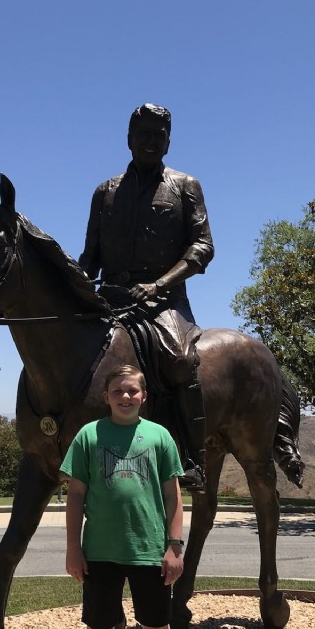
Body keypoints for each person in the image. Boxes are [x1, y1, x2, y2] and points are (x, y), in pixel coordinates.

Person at [55, 364, 204, 629]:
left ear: (143, 397)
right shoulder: (89, 436)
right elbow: (75, 497)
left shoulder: (159, 437)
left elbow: (173, 497)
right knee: (98, 628)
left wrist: (174, 547)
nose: (126, 397)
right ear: (106, 396)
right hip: (101, 551)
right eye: (118, 391)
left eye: (132, 391)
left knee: (157, 626)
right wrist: (73, 547)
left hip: (149, 550)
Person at [78, 103, 214, 492]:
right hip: (110, 297)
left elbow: (203, 247)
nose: (151, 141)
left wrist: (159, 285)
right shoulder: (105, 192)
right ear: (128, 140)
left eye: (159, 135)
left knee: (179, 360)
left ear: (169, 142)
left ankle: (193, 459)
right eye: (144, 134)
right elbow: (90, 256)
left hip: (163, 301)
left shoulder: (186, 186)